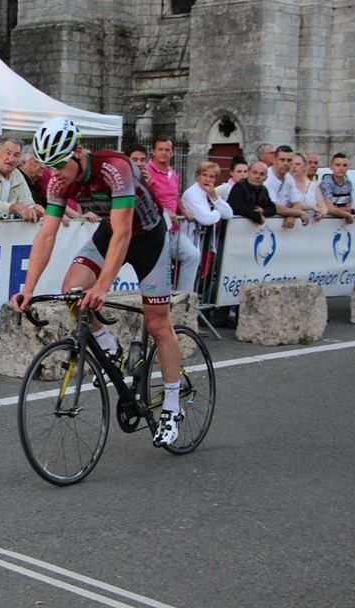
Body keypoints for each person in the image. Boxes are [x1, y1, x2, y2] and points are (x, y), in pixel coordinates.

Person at [13, 117, 184, 447]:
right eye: (49, 167)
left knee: (158, 324)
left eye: (60, 165)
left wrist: (103, 286)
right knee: (72, 292)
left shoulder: (114, 168)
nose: (55, 173)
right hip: (110, 234)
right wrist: (28, 288)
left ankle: (172, 405)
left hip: (148, 237)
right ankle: (109, 345)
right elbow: (46, 235)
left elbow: (124, 232)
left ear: (78, 152)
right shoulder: (59, 182)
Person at [146, 136, 201, 292]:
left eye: (167, 150)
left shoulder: (172, 172)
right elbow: (146, 198)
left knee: (193, 255)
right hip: (155, 228)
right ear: (153, 152)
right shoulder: (147, 171)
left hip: (173, 229)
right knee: (161, 268)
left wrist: (183, 211)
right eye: (160, 150)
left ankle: (183, 298)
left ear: (173, 152)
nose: (164, 153)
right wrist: (164, 212)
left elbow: (174, 196)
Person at [181, 161, 233, 228]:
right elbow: (206, 219)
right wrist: (218, 212)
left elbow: (229, 214)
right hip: (188, 236)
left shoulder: (210, 193)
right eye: (204, 175)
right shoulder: (192, 194)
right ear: (197, 176)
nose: (207, 179)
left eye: (211, 177)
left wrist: (214, 197)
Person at [288, 151, 327, 221]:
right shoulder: (286, 185)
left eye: (298, 164)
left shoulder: (313, 186)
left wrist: (322, 213)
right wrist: (312, 207)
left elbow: (323, 207)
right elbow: (290, 204)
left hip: (312, 226)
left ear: (305, 167)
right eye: (291, 164)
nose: (294, 167)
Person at [319, 152, 355, 223]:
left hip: (342, 223)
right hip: (326, 222)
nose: (341, 168)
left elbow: (349, 208)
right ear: (331, 167)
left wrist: (335, 211)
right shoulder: (325, 183)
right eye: (338, 165)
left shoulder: (348, 183)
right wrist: (347, 215)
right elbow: (329, 209)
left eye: (344, 165)